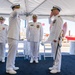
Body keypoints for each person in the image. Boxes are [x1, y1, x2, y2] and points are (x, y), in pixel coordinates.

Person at [6, 4, 21, 74]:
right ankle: (9, 68)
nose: (19, 9)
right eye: (17, 8)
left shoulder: (17, 16)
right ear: (14, 8)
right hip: (12, 36)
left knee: (14, 53)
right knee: (11, 53)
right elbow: (16, 12)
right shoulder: (13, 14)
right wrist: (16, 9)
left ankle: (12, 65)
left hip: (15, 36)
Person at [48, 6, 63, 74]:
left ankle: (57, 68)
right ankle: (54, 66)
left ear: (57, 10)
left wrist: (56, 38)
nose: (52, 12)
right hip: (53, 39)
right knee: (54, 53)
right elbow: (50, 23)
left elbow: (58, 29)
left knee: (57, 54)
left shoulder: (59, 18)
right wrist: (50, 17)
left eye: (53, 10)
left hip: (56, 39)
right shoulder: (55, 18)